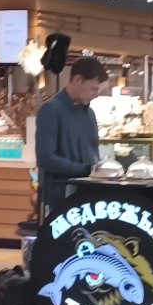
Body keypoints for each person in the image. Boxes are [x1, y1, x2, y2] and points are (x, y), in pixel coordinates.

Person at [35, 54, 105, 218]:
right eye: (93, 88)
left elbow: (92, 152)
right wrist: (85, 170)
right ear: (77, 79)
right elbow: (45, 157)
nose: (96, 94)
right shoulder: (51, 110)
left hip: (87, 195)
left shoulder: (90, 113)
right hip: (60, 198)